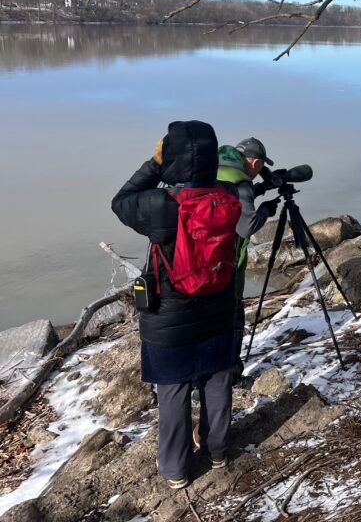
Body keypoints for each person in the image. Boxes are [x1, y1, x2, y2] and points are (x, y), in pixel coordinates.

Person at [111, 121, 241, 489]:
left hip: (168, 318)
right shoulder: (227, 197)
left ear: (171, 157)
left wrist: (154, 164)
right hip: (217, 308)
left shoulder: (159, 204)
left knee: (173, 390)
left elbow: (120, 201)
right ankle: (217, 450)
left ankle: (175, 469)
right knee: (217, 381)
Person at [216, 137, 279, 377]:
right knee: (232, 320)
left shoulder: (212, 170)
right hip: (226, 262)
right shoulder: (241, 182)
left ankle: (198, 379)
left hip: (197, 262)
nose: (261, 171)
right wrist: (265, 210)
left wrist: (260, 189)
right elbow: (246, 227)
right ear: (253, 162)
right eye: (261, 166)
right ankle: (231, 375)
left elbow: (229, 199)